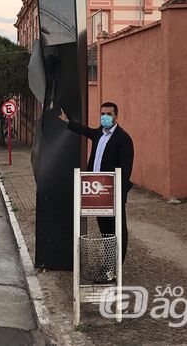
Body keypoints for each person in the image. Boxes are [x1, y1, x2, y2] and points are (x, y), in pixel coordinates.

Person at [58, 102, 134, 262]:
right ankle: (108, 260)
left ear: (116, 116)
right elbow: (86, 131)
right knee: (104, 228)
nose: (105, 117)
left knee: (117, 228)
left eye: (109, 114)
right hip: (96, 191)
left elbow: (126, 170)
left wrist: (118, 192)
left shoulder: (123, 139)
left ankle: (117, 263)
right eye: (102, 114)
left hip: (113, 192)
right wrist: (67, 122)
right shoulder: (99, 133)